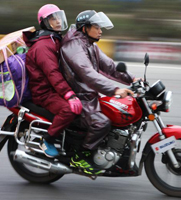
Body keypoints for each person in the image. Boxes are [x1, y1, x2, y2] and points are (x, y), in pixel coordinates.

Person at [60, 10, 139, 174]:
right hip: (78, 97)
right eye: (96, 27)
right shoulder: (73, 46)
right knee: (102, 123)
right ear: (84, 28)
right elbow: (88, 74)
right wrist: (115, 89)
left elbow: (110, 67)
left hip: (88, 96)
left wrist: (133, 79)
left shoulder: (90, 45)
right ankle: (81, 156)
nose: (100, 30)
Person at [23, 4, 82, 158]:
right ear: (44, 22)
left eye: (58, 17)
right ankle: (47, 140)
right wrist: (69, 94)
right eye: (52, 18)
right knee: (68, 110)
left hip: (54, 89)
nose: (57, 21)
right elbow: (53, 73)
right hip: (44, 93)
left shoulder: (54, 40)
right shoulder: (43, 46)